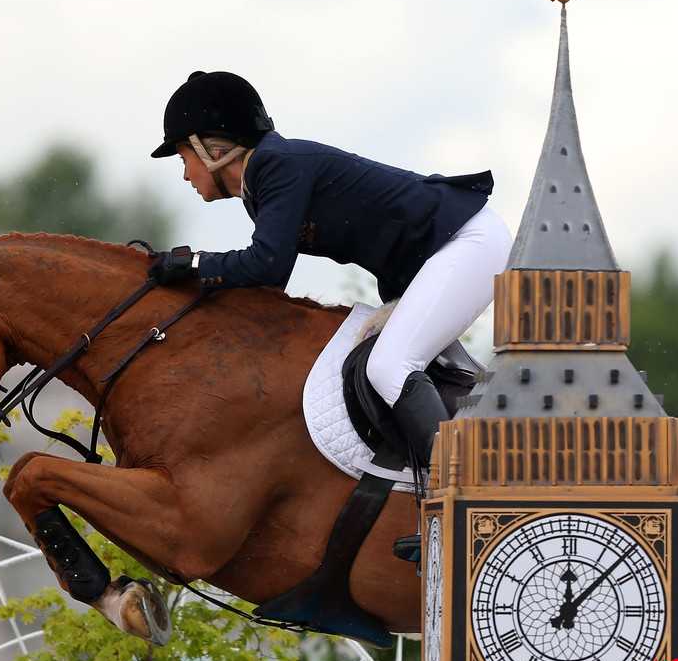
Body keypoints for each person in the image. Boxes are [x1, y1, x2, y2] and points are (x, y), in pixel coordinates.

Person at [149, 70, 512, 473]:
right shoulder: (265, 178)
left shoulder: (275, 164)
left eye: (184, 158)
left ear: (212, 149)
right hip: (448, 250)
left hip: (466, 242)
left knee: (388, 367)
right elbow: (269, 283)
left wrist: (194, 264)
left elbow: (267, 265)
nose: (185, 174)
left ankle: (464, 484)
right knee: (387, 360)